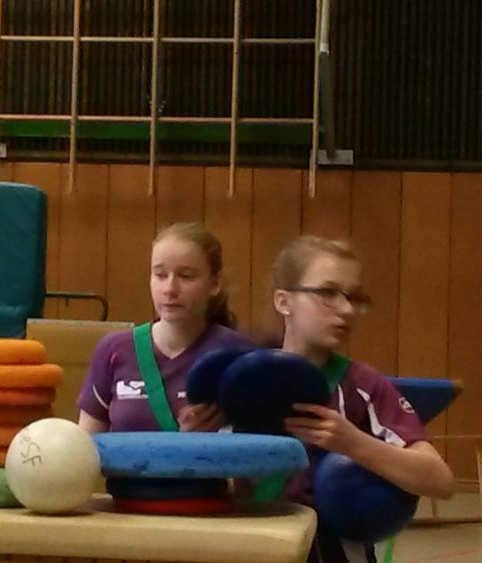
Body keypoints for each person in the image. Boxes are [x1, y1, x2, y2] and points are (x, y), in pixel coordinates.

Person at [272, 236, 455, 562]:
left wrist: (354, 443)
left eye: (354, 298)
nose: (346, 309)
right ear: (284, 301)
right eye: (328, 293)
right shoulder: (240, 382)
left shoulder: (365, 386)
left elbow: (441, 481)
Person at [77, 222, 251, 433]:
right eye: (160, 275)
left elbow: (257, 444)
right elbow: (86, 443)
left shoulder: (239, 354)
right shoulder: (113, 349)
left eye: (186, 276)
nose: (169, 289)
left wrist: (202, 443)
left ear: (215, 283)